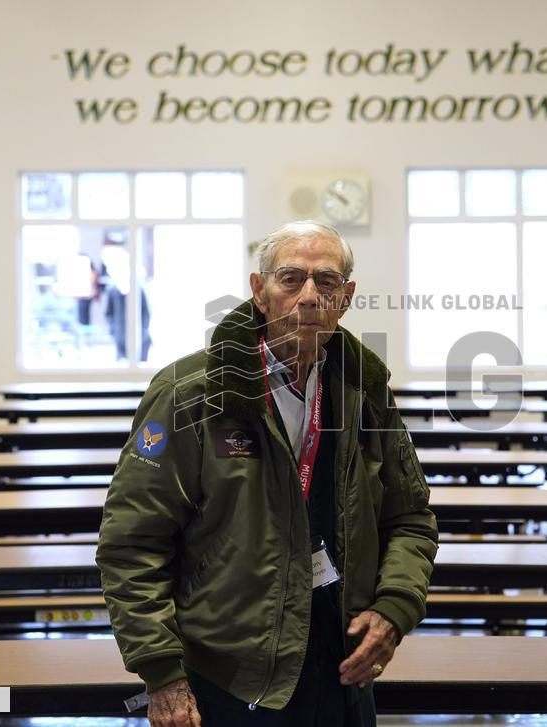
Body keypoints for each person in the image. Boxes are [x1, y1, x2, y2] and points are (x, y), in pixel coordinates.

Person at [97, 220, 438, 727]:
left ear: (345, 299)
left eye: (326, 282)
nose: (308, 297)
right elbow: (132, 544)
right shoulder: (190, 394)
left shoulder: (364, 390)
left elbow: (409, 519)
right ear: (260, 291)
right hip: (230, 679)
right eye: (290, 279)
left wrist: (395, 607)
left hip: (343, 668)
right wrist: (161, 671)